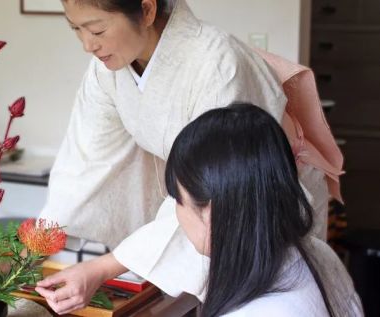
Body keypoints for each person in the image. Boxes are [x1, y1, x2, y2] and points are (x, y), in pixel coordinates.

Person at [36, 0, 343, 313]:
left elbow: (220, 190)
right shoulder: (106, 72)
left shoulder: (217, 62)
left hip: (260, 204)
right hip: (198, 204)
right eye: (76, 29)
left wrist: (102, 268)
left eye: (97, 29)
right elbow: (85, 164)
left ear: (146, 10)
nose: (88, 45)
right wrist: (35, 245)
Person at [38, 105, 361, 316]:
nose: (175, 215)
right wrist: (98, 270)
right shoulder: (315, 253)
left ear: (214, 213)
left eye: (178, 200)